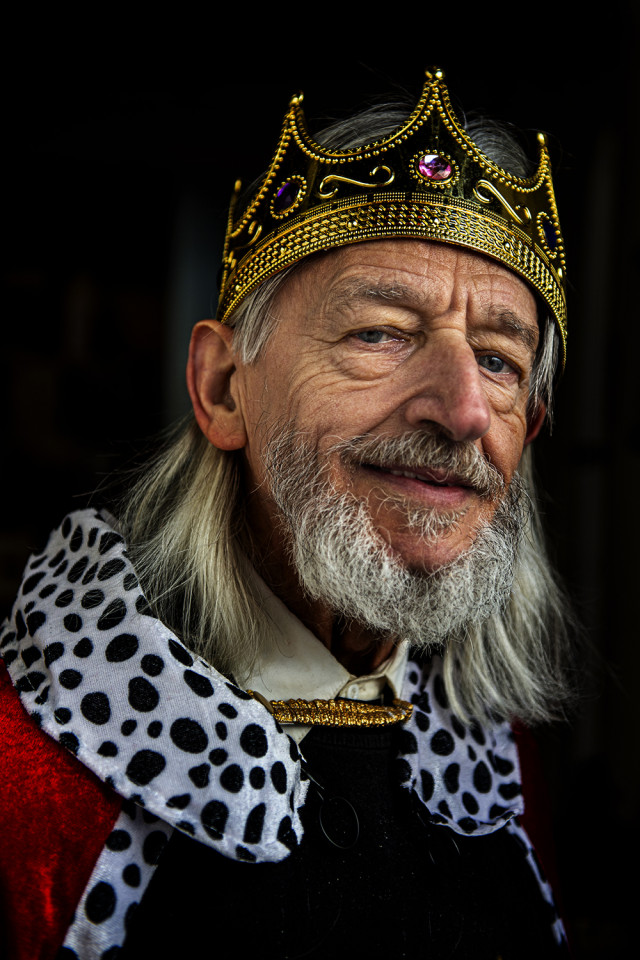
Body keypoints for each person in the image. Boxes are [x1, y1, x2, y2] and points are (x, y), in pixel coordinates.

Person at [0, 69, 574, 959]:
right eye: (380, 333)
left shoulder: (505, 773)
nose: (462, 410)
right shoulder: (29, 780)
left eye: (500, 360)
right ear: (224, 388)